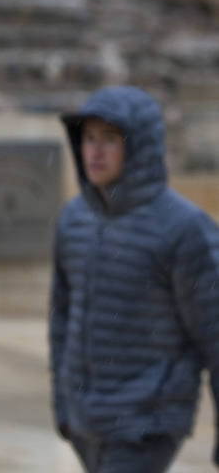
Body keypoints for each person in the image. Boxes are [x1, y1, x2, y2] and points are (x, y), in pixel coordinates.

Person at [50, 85, 219, 472]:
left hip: (147, 426)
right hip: (84, 425)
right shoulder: (74, 220)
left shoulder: (184, 229)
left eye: (110, 139)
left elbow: (215, 333)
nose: (95, 151)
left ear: (140, 145)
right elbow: (61, 318)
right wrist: (63, 405)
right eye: (89, 138)